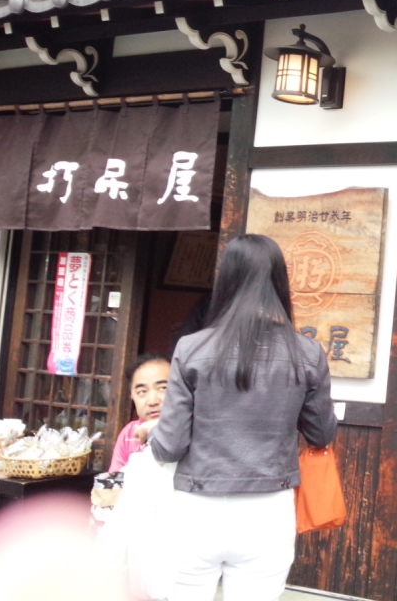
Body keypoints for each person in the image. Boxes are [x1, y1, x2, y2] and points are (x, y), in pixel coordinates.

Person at [136, 234, 338, 601]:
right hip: (268, 510)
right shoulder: (307, 354)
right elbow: (322, 433)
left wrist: (152, 431)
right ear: (279, 281)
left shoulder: (191, 348)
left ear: (226, 280)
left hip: (195, 508)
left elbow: (170, 447)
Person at [109, 354, 171, 473]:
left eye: (163, 388)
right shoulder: (129, 433)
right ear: (132, 396)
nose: (152, 401)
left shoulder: (192, 428)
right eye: (142, 391)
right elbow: (116, 477)